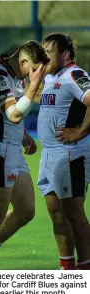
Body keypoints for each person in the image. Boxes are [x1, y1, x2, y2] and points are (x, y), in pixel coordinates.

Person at [0, 40, 48, 269]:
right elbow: (13, 115)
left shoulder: (14, 74)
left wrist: (24, 135)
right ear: (24, 61)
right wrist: (33, 86)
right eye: (35, 69)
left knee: (26, 210)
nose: (36, 75)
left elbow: (11, 118)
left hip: (12, 150)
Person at [38, 33, 90, 270]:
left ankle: (86, 268)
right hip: (49, 153)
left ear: (66, 55)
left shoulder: (74, 75)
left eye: (48, 52)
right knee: (55, 213)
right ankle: (67, 270)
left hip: (69, 153)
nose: (43, 56)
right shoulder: (51, 78)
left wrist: (79, 132)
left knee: (74, 213)